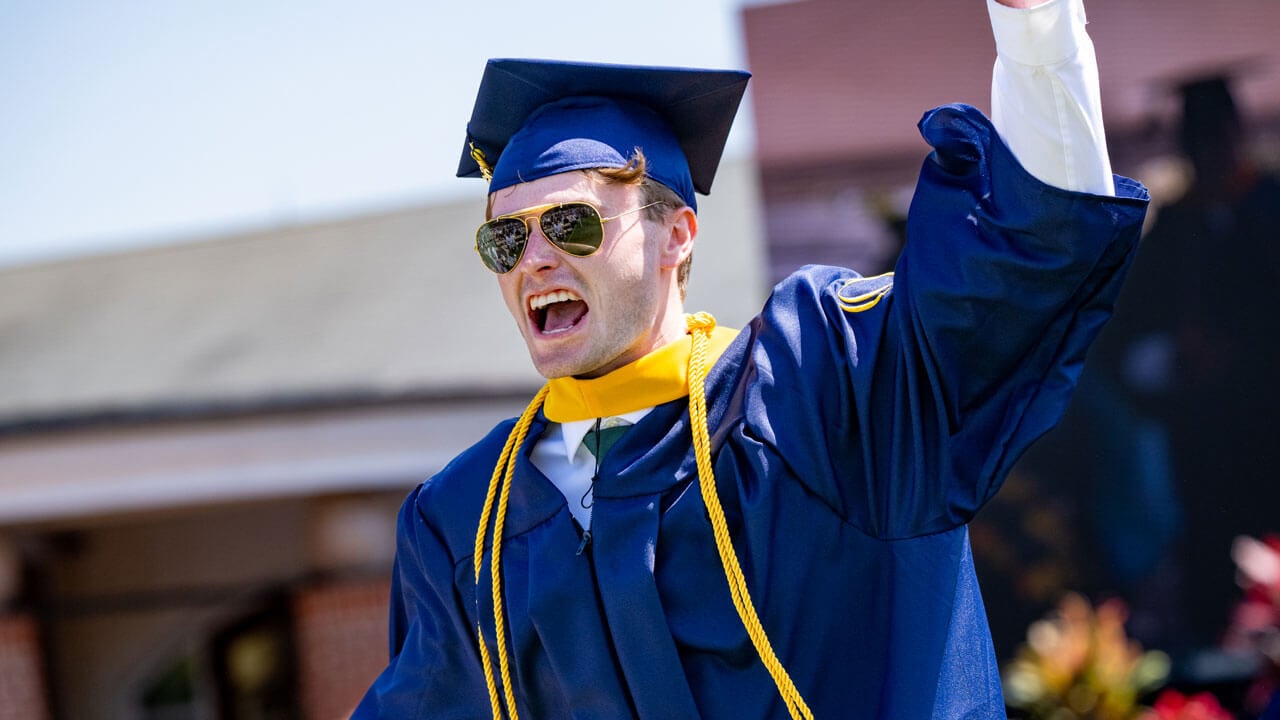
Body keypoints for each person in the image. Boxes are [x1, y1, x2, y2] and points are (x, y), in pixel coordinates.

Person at [354, 0, 1149, 717]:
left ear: (677, 236)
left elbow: (1021, 260)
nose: (534, 260)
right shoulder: (465, 522)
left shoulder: (824, 389)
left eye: (571, 223)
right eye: (505, 238)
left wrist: (1036, 24)